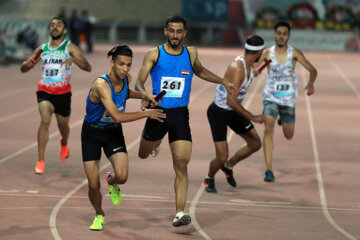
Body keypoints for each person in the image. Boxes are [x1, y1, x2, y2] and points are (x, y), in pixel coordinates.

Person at [135, 15, 232, 227]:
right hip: (157, 114)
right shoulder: (154, 54)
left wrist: (222, 80)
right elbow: (139, 82)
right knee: (142, 154)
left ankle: (180, 212)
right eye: (171, 31)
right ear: (165, 31)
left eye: (179, 32)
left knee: (181, 164)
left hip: (180, 116)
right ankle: (155, 143)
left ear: (184, 33)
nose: (175, 35)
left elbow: (200, 71)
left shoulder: (191, 52)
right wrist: (144, 95)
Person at [82, 45, 166, 231]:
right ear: (111, 63)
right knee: (93, 185)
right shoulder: (101, 85)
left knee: (122, 176)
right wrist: (146, 114)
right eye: (121, 64)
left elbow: (126, 93)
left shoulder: (126, 79)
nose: (125, 69)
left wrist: (145, 95)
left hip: (112, 132)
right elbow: (118, 116)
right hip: (92, 134)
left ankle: (111, 182)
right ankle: (99, 214)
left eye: (128, 65)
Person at [20, 17, 92, 174]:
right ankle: (40, 160)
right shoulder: (42, 48)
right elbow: (24, 68)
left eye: (59, 25)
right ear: (49, 29)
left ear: (64, 30)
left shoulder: (70, 47)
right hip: (45, 91)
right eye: (52, 25)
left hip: (63, 94)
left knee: (64, 128)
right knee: (45, 121)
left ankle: (64, 142)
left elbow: (88, 67)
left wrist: (73, 59)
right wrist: (27, 64)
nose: (55, 27)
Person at [255, 21, 317, 182]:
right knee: (268, 126)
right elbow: (253, 65)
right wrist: (254, 70)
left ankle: (283, 118)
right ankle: (269, 170)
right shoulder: (267, 53)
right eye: (279, 33)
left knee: (289, 135)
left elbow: (312, 70)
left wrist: (310, 84)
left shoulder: (294, 53)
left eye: (285, 34)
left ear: (288, 36)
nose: (281, 36)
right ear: (274, 34)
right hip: (271, 97)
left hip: (288, 99)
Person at [204, 35, 266, 193]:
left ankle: (228, 166)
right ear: (259, 52)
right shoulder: (238, 67)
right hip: (219, 112)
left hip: (233, 110)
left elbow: (251, 75)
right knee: (222, 155)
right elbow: (231, 101)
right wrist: (253, 117)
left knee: (255, 144)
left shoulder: (250, 64)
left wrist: (257, 71)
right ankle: (209, 177)